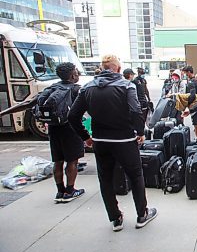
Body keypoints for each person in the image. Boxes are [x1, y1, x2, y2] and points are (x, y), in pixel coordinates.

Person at [68, 55, 157, 232]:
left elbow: (72, 116)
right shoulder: (126, 86)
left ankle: (115, 218)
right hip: (124, 140)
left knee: (105, 179)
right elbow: (135, 110)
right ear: (117, 68)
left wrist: (85, 136)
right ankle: (142, 214)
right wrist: (140, 132)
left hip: (100, 141)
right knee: (136, 176)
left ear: (102, 68)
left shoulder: (87, 87)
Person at [38, 62, 89, 203]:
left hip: (53, 128)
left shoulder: (52, 88)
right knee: (72, 161)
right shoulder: (76, 89)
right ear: (73, 75)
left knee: (58, 161)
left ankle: (60, 191)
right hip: (71, 128)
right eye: (77, 72)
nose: (78, 74)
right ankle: (70, 190)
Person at [182, 66, 197, 137]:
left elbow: (192, 95)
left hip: (195, 105)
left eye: (185, 73)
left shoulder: (191, 82)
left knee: (196, 125)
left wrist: (188, 105)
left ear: (188, 72)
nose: (185, 75)